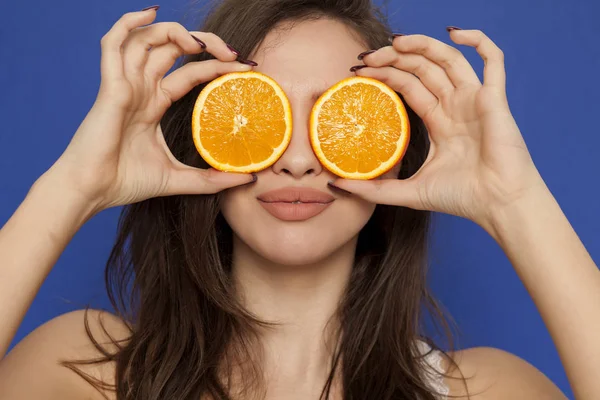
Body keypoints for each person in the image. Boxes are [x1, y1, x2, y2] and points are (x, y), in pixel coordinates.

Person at [0, 0, 597, 398]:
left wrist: (513, 200)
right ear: (201, 141)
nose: (298, 159)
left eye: (341, 122)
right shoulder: (83, 372)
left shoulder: (483, 391)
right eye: (261, 116)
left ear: (396, 150)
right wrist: (73, 185)